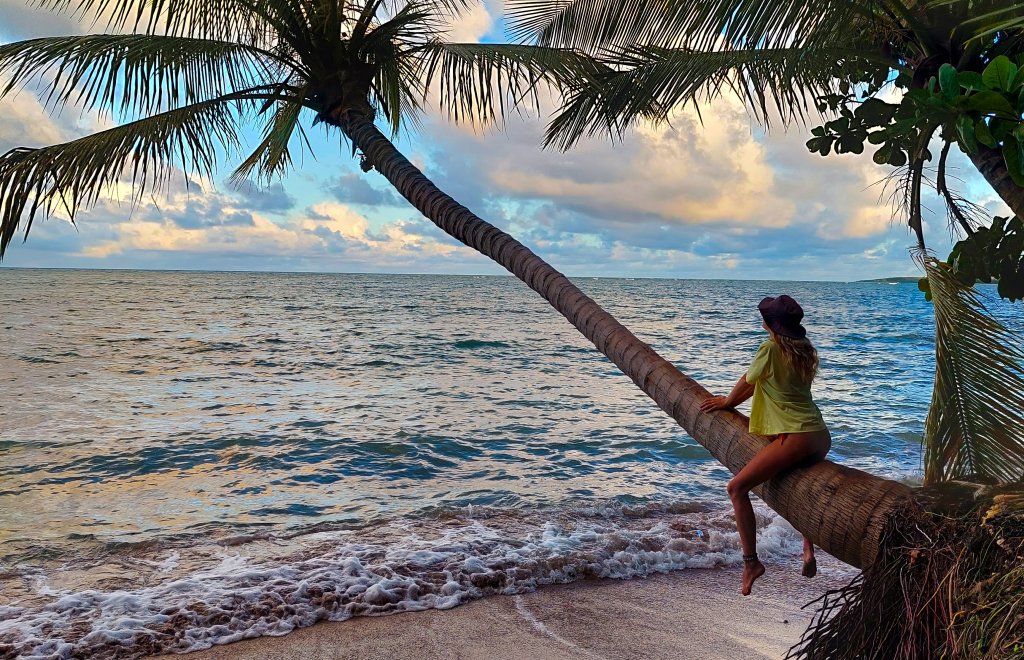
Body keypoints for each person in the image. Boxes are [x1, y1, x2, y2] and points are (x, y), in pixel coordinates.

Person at [699, 295, 831, 596]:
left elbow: (749, 380)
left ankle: (751, 563)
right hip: (819, 435)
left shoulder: (770, 348)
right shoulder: (804, 351)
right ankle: (807, 547)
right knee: (796, 483)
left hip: (796, 437)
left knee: (736, 488)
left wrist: (728, 401)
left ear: (769, 324)